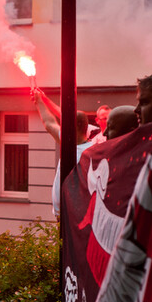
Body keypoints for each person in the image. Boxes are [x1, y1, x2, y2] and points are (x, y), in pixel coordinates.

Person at [31, 89, 101, 218]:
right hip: (68, 213)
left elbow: (49, 123)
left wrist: (39, 101)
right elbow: (49, 123)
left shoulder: (90, 151)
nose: (63, 126)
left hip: (74, 215)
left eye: (66, 123)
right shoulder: (86, 147)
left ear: (73, 126)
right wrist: (41, 100)